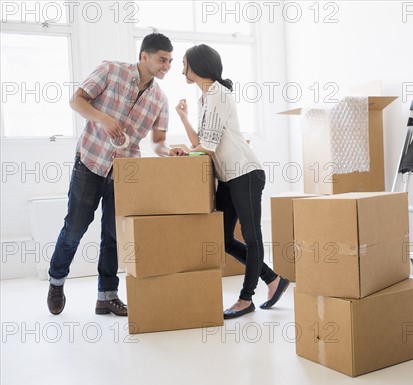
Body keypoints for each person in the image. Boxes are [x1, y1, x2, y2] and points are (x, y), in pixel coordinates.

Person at [47, 33, 186, 317]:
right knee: (75, 228)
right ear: (144, 56)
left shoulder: (160, 99)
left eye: (170, 61)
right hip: (90, 162)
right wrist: (104, 118)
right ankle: (56, 281)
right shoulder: (111, 70)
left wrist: (167, 150)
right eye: (162, 59)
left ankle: (106, 296)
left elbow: (157, 141)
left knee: (112, 236)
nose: (167, 66)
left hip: (124, 172)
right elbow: (76, 101)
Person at [176, 44, 289, 319]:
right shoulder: (205, 99)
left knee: (252, 238)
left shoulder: (219, 94)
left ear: (198, 65)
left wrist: (186, 150)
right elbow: (199, 143)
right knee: (224, 239)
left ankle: (245, 299)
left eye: (184, 64)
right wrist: (183, 117)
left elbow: (209, 145)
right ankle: (273, 279)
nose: (182, 70)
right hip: (228, 177)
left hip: (246, 173)